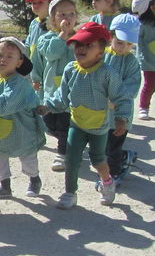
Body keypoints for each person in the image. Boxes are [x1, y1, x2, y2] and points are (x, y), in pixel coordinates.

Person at [41, 22, 123, 210]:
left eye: (89, 45)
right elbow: (61, 97)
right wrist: (46, 106)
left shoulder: (107, 73)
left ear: (101, 53)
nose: (82, 48)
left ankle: (108, 182)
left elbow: (121, 97)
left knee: (98, 161)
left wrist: (122, 118)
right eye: (79, 44)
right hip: (76, 124)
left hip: (99, 127)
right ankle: (70, 192)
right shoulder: (71, 69)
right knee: (71, 158)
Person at [0, 37, 45, 199]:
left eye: (10, 56)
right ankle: (5, 187)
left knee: (27, 158)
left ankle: (34, 179)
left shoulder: (19, 83)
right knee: (1, 158)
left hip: (22, 131)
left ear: (19, 62)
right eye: (0, 54)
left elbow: (3, 105)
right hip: (1, 131)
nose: (3, 59)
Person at [31, 0, 77, 172]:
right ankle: (68, 139)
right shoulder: (47, 38)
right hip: (51, 88)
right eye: (62, 14)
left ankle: (63, 153)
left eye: (71, 13)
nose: (67, 18)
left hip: (71, 91)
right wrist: (36, 78)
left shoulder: (80, 38)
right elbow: (48, 56)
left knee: (65, 123)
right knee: (50, 122)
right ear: (52, 19)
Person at [103, 14, 143, 181]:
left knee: (113, 146)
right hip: (101, 113)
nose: (123, 48)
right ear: (111, 36)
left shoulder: (132, 62)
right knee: (103, 147)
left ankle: (115, 174)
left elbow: (131, 87)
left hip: (120, 114)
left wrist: (116, 100)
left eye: (128, 44)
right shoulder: (101, 56)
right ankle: (124, 156)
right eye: (119, 42)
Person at [24, 0, 55, 65]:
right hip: (35, 67)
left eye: (40, 2)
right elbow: (28, 44)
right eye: (33, 3)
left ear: (51, 3)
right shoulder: (34, 23)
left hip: (49, 67)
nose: (36, 5)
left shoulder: (55, 24)